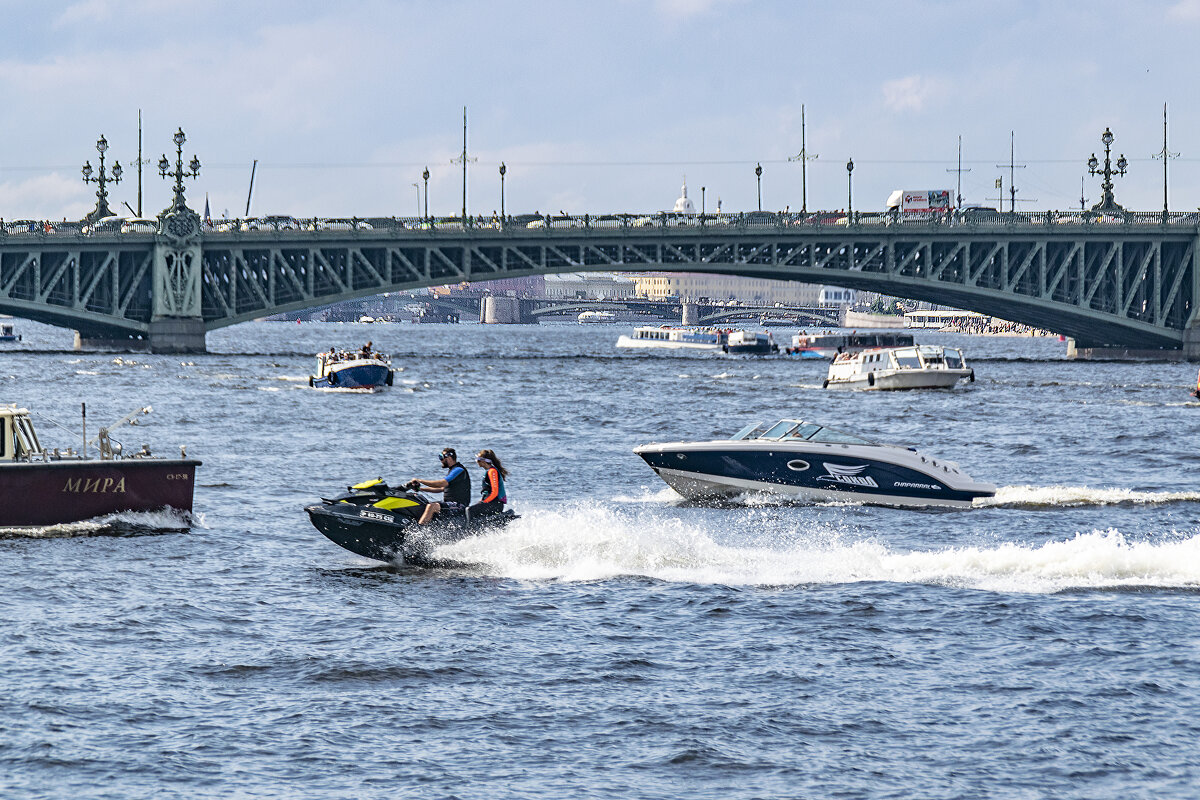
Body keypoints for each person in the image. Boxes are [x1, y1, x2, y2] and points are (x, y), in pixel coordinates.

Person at [410, 448, 471, 525]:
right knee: (423, 504)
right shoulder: (452, 470)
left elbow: (442, 483)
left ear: (449, 457)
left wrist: (420, 481)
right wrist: (421, 489)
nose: (440, 460)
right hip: (450, 504)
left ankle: (419, 531)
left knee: (432, 506)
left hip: (459, 506)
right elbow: (442, 488)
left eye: (441, 457)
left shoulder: (458, 469)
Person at [469, 450, 509, 520]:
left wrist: (484, 502)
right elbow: (487, 492)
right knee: (473, 508)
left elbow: (495, 492)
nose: (476, 462)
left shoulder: (492, 471)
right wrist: (481, 501)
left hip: (496, 504)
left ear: (484, 461)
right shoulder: (488, 471)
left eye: (478, 460)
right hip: (492, 503)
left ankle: (469, 530)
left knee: (469, 510)